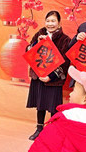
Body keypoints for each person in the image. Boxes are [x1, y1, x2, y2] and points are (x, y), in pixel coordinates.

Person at [26, 10, 72, 140]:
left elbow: (65, 62)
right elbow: (28, 50)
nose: (50, 24)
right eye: (48, 21)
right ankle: (39, 129)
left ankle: (53, 131)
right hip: (38, 76)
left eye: (53, 21)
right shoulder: (40, 33)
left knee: (53, 106)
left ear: (59, 23)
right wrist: (36, 44)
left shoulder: (65, 40)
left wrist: (51, 76)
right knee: (40, 104)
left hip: (53, 78)